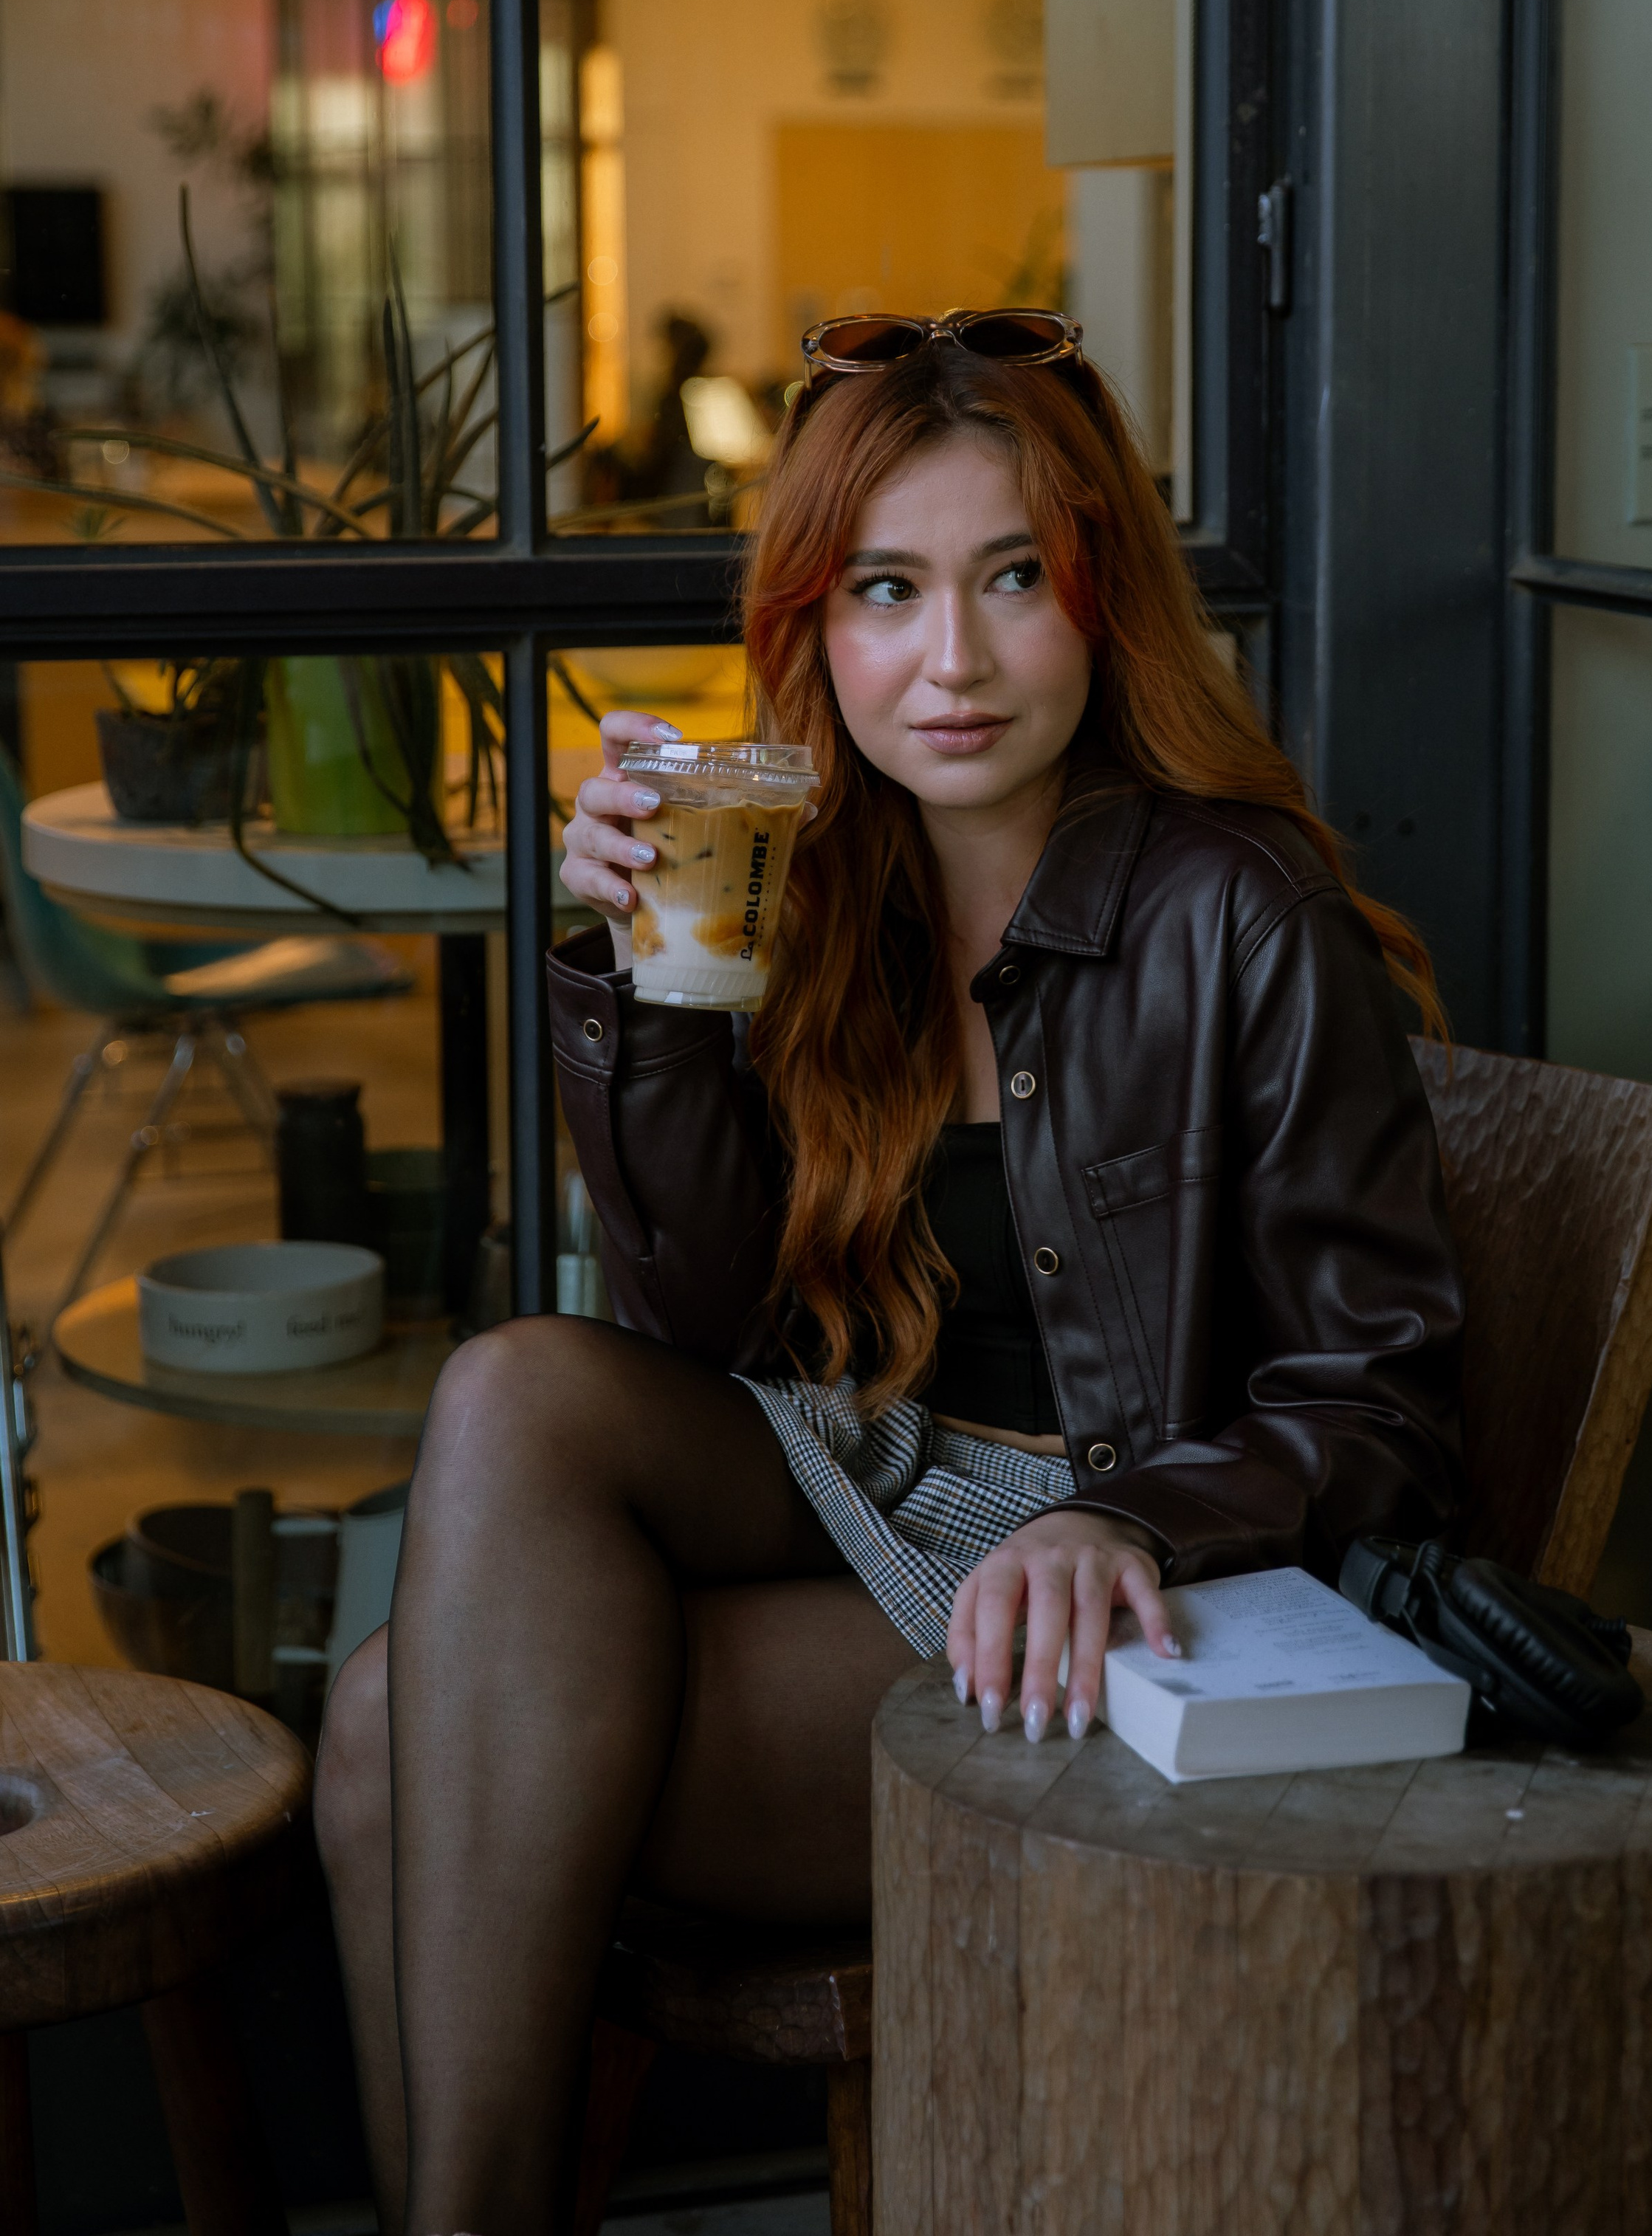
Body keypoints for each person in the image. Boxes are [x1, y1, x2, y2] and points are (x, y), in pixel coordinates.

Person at [314, 312, 1465, 2236]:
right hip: (867, 1466)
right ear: (810, 622)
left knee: (381, 1727)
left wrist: (1136, 1529)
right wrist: (641, 993)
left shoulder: (1235, 910)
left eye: (1015, 579)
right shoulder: (808, 870)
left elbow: (1386, 1402)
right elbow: (697, 1337)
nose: (952, 659)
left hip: (1094, 1571)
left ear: (1104, 603)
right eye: (887, 590)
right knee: (512, 1387)